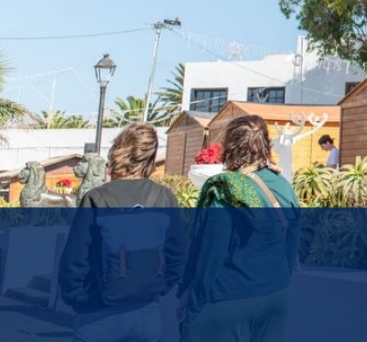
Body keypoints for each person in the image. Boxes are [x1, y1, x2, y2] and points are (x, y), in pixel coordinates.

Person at [59, 123, 187, 342]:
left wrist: (79, 299)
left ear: (117, 152)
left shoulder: (96, 198)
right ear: (150, 157)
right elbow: (178, 256)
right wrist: (157, 288)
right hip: (147, 311)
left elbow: (74, 260)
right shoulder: (164, 197)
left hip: (97, 313)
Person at [179, 115, 301, 342]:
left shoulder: (225, 188)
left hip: (230, 298)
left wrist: (194, 302)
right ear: (265, 144)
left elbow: (210, 253)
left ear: (230, 145)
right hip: (276, 298)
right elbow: (292, 244)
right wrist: (278, 281)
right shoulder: (283, 185)